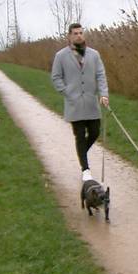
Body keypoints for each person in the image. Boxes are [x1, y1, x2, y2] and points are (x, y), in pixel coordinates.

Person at [51, 23, 109, 181]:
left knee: (95, 132)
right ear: (69, 36)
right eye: (75, 33)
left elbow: (101, 75)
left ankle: (81, 152)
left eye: (81, 33)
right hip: (74, 104)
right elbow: (56, 77)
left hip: (91, 103)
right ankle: (86, 169)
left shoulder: (94, 55)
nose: (79, 35)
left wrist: (103, 94)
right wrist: (66, 91)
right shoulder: (61, 56)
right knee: (80, 136)